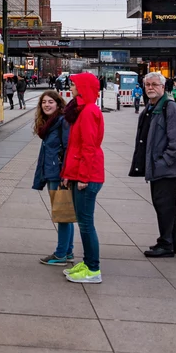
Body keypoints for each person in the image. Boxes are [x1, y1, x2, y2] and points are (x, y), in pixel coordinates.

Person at [131, 72, 176, 258]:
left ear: (163, 87)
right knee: (165, 206)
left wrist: (164, 162)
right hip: (157, 167)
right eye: (147, 84)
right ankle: (172, 242)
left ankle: (166, 244)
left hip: (165, 168)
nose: (150, 88)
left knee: (164, 205)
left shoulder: (169, 108)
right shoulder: (152, 107)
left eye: (154, 84)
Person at [61, 73, 105, 284]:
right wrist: (69, 175)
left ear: (84, 87)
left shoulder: (88, 112)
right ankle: (88, 264)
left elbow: (87, 147)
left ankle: (93, 269)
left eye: (75, 84)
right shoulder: (83, 110)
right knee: (84, 222)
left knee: (86, 224)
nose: (72, 87)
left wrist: (83, 177)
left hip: (88, 175)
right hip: (82, 173)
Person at [31, 91, 75, 266]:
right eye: (43, 102)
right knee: (64, 213)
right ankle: (68, 251)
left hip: (58, 174)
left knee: (62, 215)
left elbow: (68, 148)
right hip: (52, 172)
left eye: (50, 102)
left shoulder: (62, 122)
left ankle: (60, 254)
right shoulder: (51, 123)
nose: (47, 105)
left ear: (58, 103)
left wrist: (66, 174)